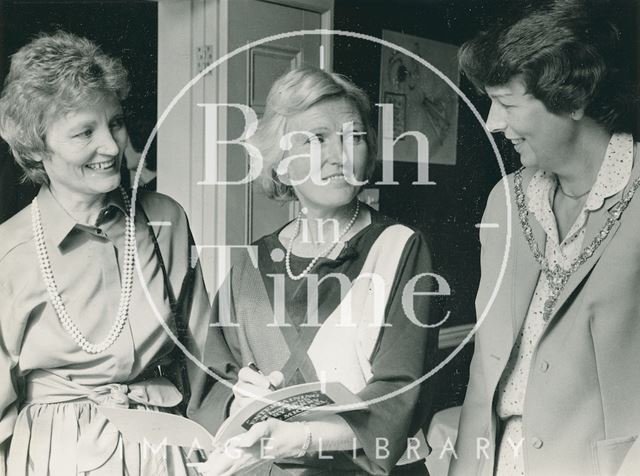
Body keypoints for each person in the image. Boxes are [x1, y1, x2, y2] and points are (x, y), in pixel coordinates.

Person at [188, 66, 439, 475]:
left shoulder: (399, 247)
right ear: (281, 163)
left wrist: (300, 436)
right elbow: (213, 383)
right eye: (317, 139)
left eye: (353, 137)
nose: (340, 156)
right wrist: (240, 401)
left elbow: (399, 393)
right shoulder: (250, 263)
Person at [0, 31, 210, 475]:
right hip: (57, 457)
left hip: (167, 452)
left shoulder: (165, 220)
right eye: (84, 132)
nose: (113, 147)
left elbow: (203, 353)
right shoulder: (9, 252)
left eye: (115, 122)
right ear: (38, 147)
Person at [450, 2, 640, 475]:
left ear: (574, 101)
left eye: (509, 104)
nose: (493, 123)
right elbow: (486, 365)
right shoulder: (506, 199)